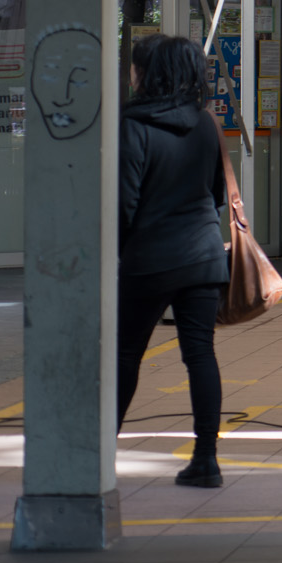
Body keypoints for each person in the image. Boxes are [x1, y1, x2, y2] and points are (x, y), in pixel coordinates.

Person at [117, 34, 232, 488]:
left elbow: (124, 202)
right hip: (203, 254)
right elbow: (217, 193)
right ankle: (206, 459)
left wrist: (117, 253)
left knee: (126, 355)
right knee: (200, 353)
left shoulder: (132, 125)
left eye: (135, 66)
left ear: (149, 73)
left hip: (149, 258)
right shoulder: (205, 122)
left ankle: (99, 452)